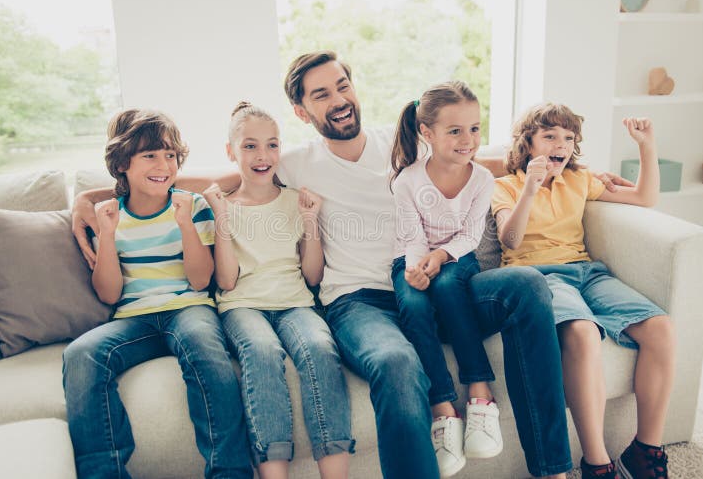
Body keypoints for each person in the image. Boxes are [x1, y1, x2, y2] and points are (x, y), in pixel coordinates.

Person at [71, 51, 630, 479]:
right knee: (395, 363)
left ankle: (553, 467)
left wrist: (581, 169)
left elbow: (474, 154)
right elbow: (203, 179)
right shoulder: (291, 161)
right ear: (301, 110)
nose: (338, 99)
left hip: (437, 287)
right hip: (359, 303)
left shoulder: (402, 144)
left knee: (528, 286)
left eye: (342, 85)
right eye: (320, 94)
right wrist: (86, 198)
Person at [62, 109, 252, 479]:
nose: (163, 164)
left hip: (189, 308)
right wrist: (106, 235)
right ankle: (105, 472)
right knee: (81, 353)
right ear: (122, 163)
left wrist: (184, 226)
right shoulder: (109, 215)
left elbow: (200, 282)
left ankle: (230, 471)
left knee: (205, 349)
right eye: (150, 155)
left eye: (170, 155)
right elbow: (109, 292)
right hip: (134, 319)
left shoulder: (192, 205)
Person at [492, 103, 676, 479]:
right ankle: (597, 462)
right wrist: (529, 187)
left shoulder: (580, 179)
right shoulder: (505, 186)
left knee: (661, 328)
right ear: (527, 144)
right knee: (582, 332)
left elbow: (645, 198)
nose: (561, 143)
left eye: (568, 137)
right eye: (549, 136)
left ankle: (645, 450)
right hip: (539, 277)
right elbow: (509, 241)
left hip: (587, 272)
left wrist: (646, 145)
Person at [204, 101, 353, 479]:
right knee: (262, 350)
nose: (262, 155)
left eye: (272, 145)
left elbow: (313, 276)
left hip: (295, 302)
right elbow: (225, 281)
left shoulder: (295, 201)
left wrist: (310, 222)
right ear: (230, 152)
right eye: (250, 146)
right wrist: (221, 219)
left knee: (320, 347)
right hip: (243, 305)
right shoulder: (221, 206)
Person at [389, 81, 501, 477]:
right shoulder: (408, 181)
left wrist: (440, 258)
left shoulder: (483, 179)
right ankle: (442, 408)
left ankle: (480, 392)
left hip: (458, 257)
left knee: (450, 285)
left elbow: (471, 235)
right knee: (414, 305)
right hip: (413, 256)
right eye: (455, 131)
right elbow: (411, 237)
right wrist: (417, 267)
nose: (468, 139)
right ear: (427, 133)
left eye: (474, 128)